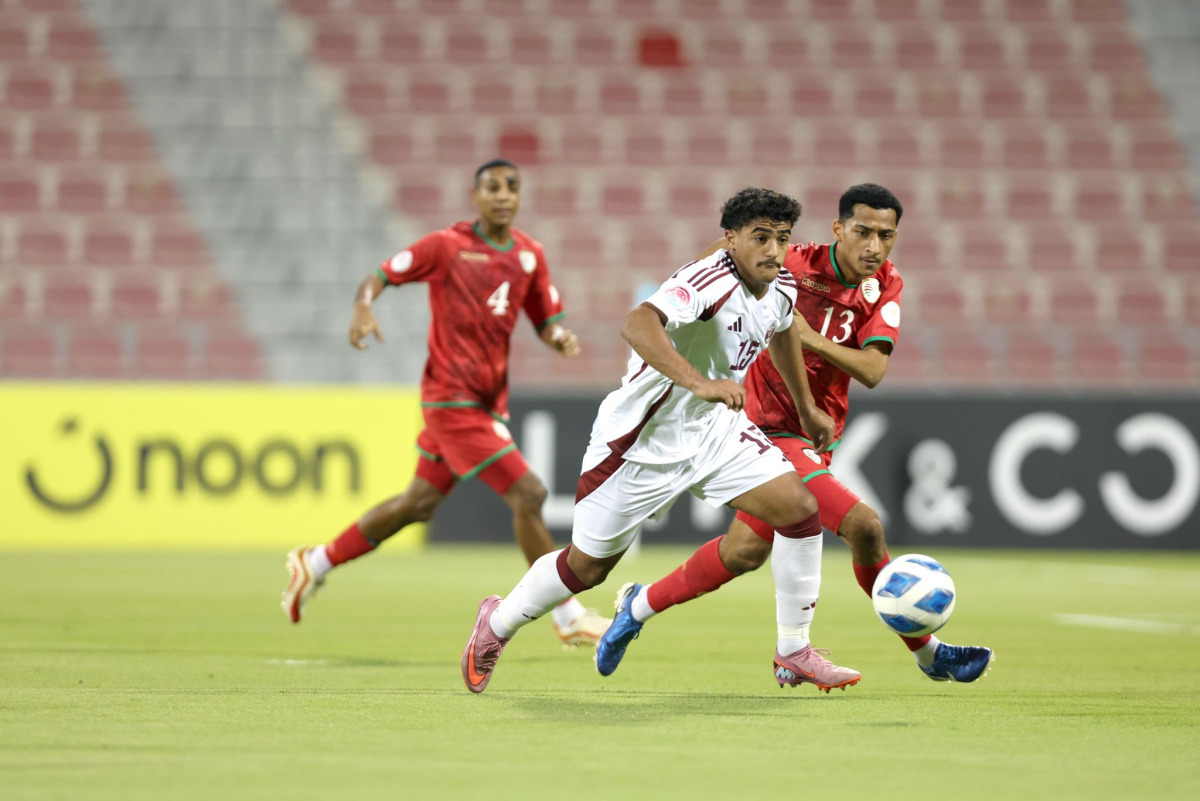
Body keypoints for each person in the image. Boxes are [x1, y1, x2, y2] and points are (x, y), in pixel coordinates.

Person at [461, 186, 858, 693]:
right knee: (587, 567)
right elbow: (638, 323)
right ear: (731, 239)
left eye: (781, 239)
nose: (773, 251)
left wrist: (805, 407)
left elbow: (781, 330)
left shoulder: (781, 286)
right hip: (641, 442)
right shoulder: (708, 278)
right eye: (760, 238)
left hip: (714, 431)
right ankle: (497, 624)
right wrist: (699, 382)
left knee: (799, 509)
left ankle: (793, 651)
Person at [594, 183, 994, 685]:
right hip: (761, 426)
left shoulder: (886, 285)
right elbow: (722, 258)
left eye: (885, 236)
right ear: (838, 229)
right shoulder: (790, 260)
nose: (873, 247)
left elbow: (872, 369)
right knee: (864, 526)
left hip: (811, 429)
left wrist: (809, 340)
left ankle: (637, 605)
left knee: (743, 553)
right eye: (862, 232)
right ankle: (927, 654)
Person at [282, 159, 610, 647]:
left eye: (511, 187)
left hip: (484, 401)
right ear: (474, 196)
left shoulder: (528, 255)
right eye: (492, 187)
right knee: (530, 495)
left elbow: (545, 317)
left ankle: (317, 561)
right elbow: (382, 274)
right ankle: (567, 616)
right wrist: (363, 305)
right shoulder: (447, 246)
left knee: (418, 503)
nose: (503, 195)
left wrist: (558, 336)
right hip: (450, 400)